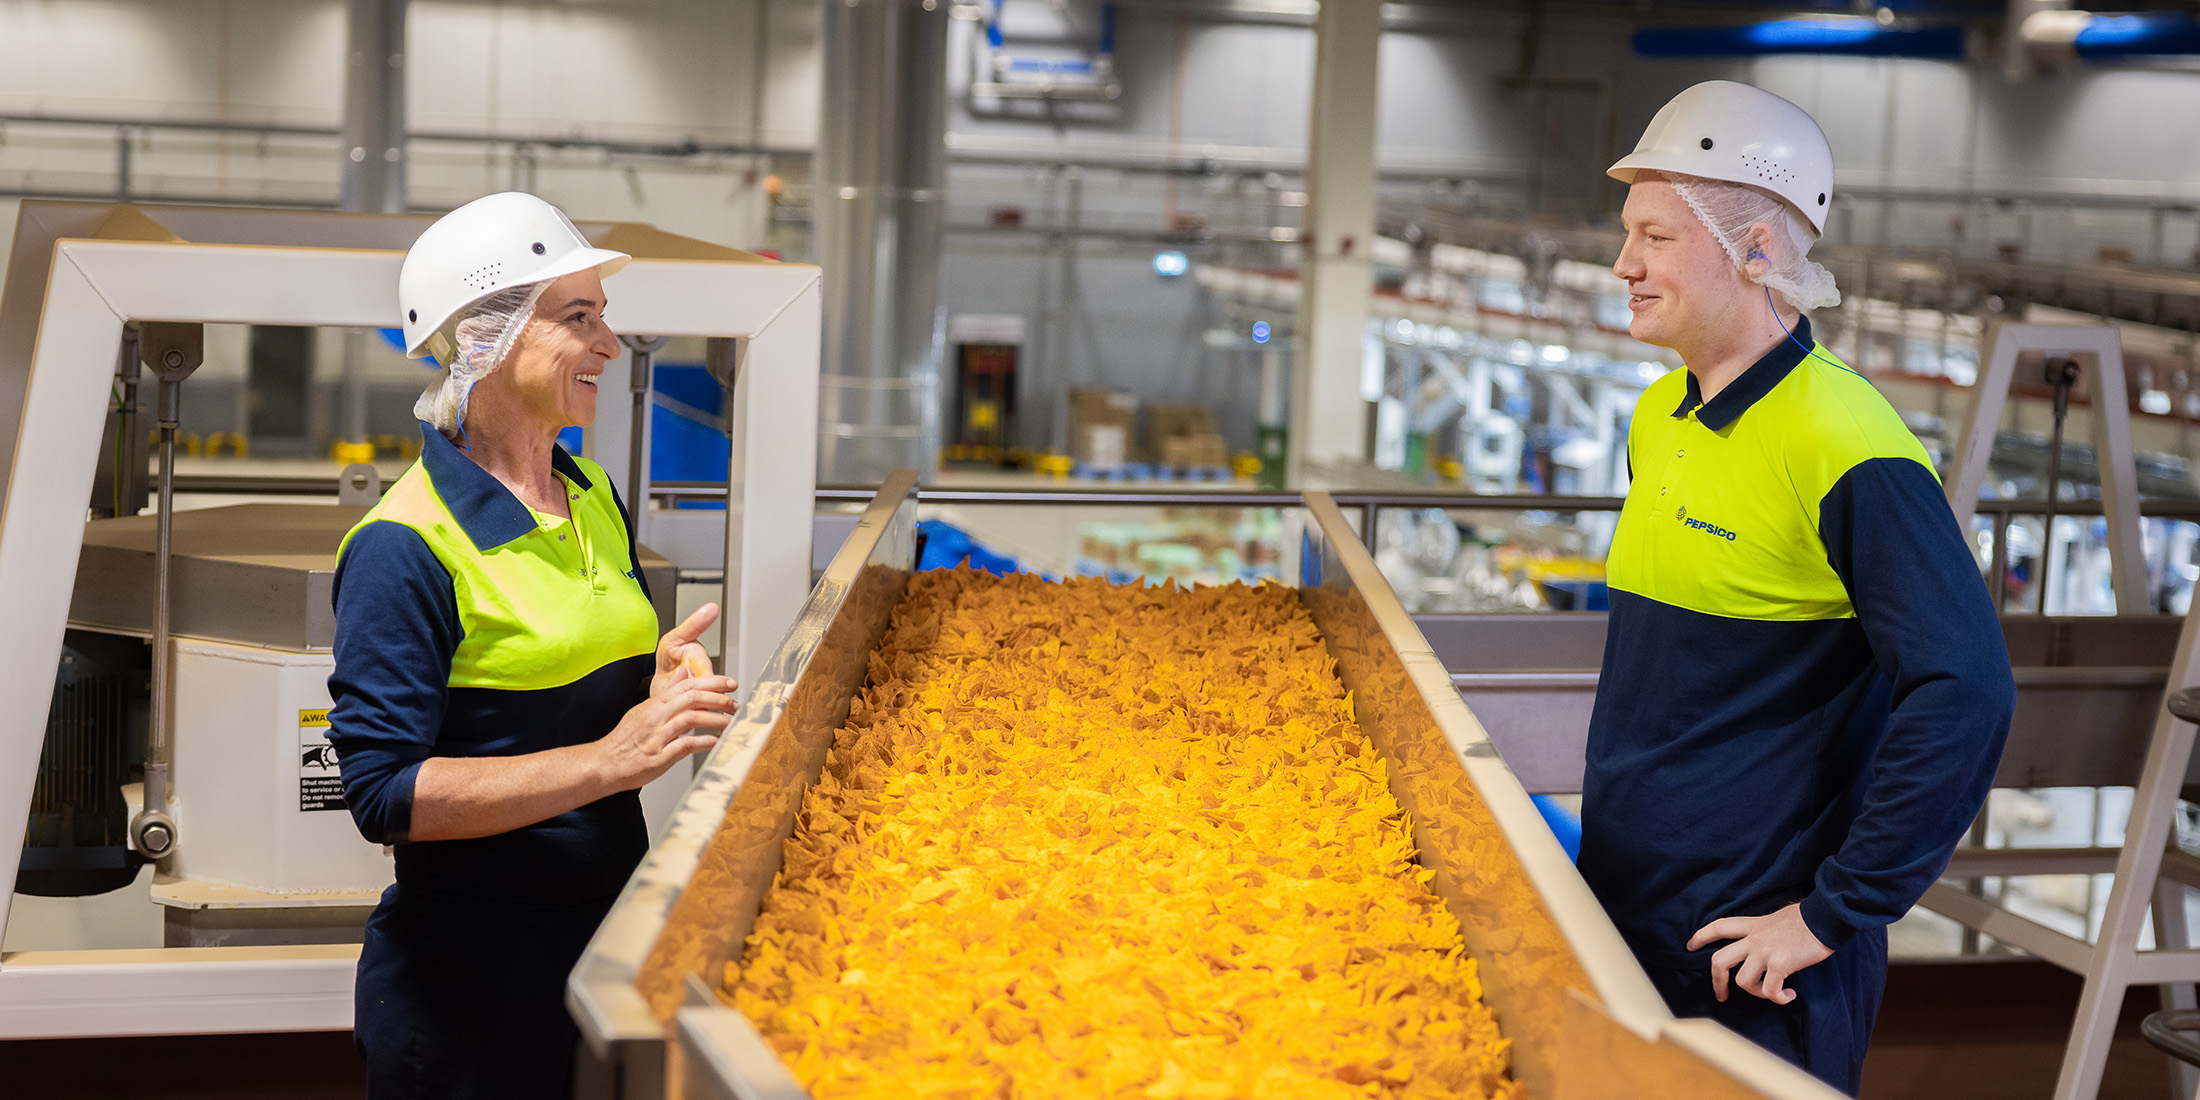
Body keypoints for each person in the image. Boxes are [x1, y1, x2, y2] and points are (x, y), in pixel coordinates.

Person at [1577, 81, 2016, 1094]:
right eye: (1627, 234)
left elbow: (1967, 689)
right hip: (1629, 910)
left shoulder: (1845, 442)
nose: (1623, 263)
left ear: (1758, 253)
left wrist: (1830, 911)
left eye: (1654, 235)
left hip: (1752, 948)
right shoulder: (1659, 417)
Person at [327, 191, 738, 1099]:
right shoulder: (406, 545)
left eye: (605, 317)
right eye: (579, 318)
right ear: (486, 338)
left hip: (603, 958)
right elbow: (384, 794)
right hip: (472, 991)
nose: (609, 345)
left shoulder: (587, 490)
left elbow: (576, 678)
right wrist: (610, 757)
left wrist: (654, 678)